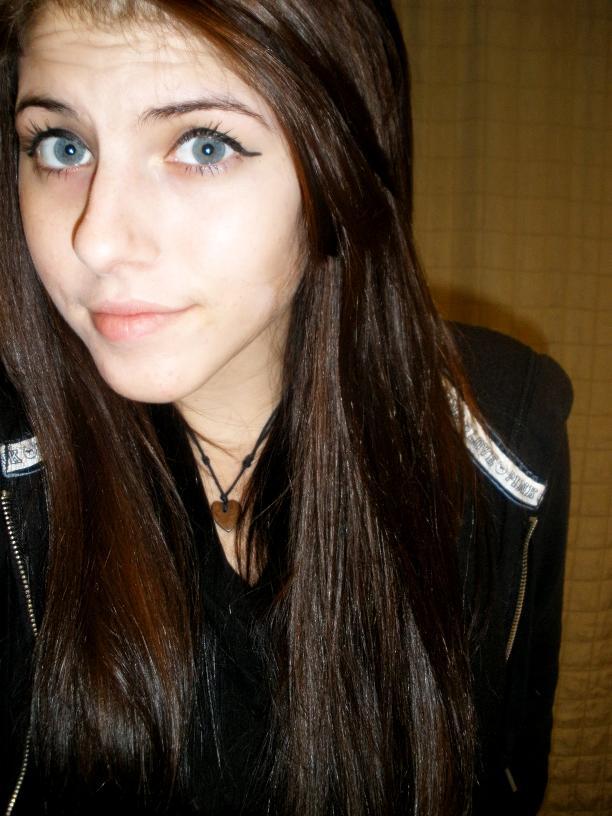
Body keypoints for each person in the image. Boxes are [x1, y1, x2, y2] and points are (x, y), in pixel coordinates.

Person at [0, 1, 572, 814]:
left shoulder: (499, 433)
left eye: (203, 145)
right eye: (63, 146)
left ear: (339, 167)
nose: (97, 239)